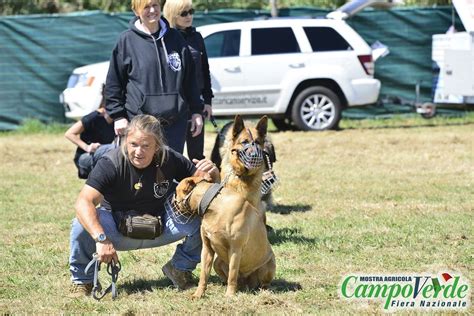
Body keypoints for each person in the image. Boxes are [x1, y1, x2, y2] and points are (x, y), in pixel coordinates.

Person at [68, 114, 220, 297]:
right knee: (81, 223)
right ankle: (82, 282)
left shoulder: (169, 157)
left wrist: (214, 174)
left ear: (157, 146)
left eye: (146, 146)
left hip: (162, 225)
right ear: (125, 141)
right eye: (133, 144)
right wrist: (101, 239)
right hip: (115, 228)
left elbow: (203, 182)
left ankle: (180, 268)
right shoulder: (110, 163)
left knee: (206, 217)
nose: (138, 151)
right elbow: (83, 202)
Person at [105, 0, 204, 155]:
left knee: (169, 172)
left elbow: (190, 79)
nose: (152, 10)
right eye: (146, 7)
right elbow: (114, 83)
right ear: (136, 11)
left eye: (155, 5)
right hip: (141, 123)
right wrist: (118, 116)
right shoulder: (126, 41)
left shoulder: (176, 38)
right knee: (143, 173)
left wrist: (196, 111)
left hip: (175, 121)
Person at [163, 0, 213, 161]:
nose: (189, 16)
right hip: (173, 103)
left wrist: (207, 101)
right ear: (172, 14)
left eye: (191, 11)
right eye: (184, 13)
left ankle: (198, 184)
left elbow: (204, 71)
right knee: (171, 152)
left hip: (195, 102)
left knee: (196, 152)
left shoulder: (197, 37)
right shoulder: (165, 38)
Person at [64, 100, 116, 179]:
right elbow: (69, 133)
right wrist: (87, 147)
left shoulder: (118, 120)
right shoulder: (94, 117)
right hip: (85, 157)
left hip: (103, 155)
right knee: (114, 149)